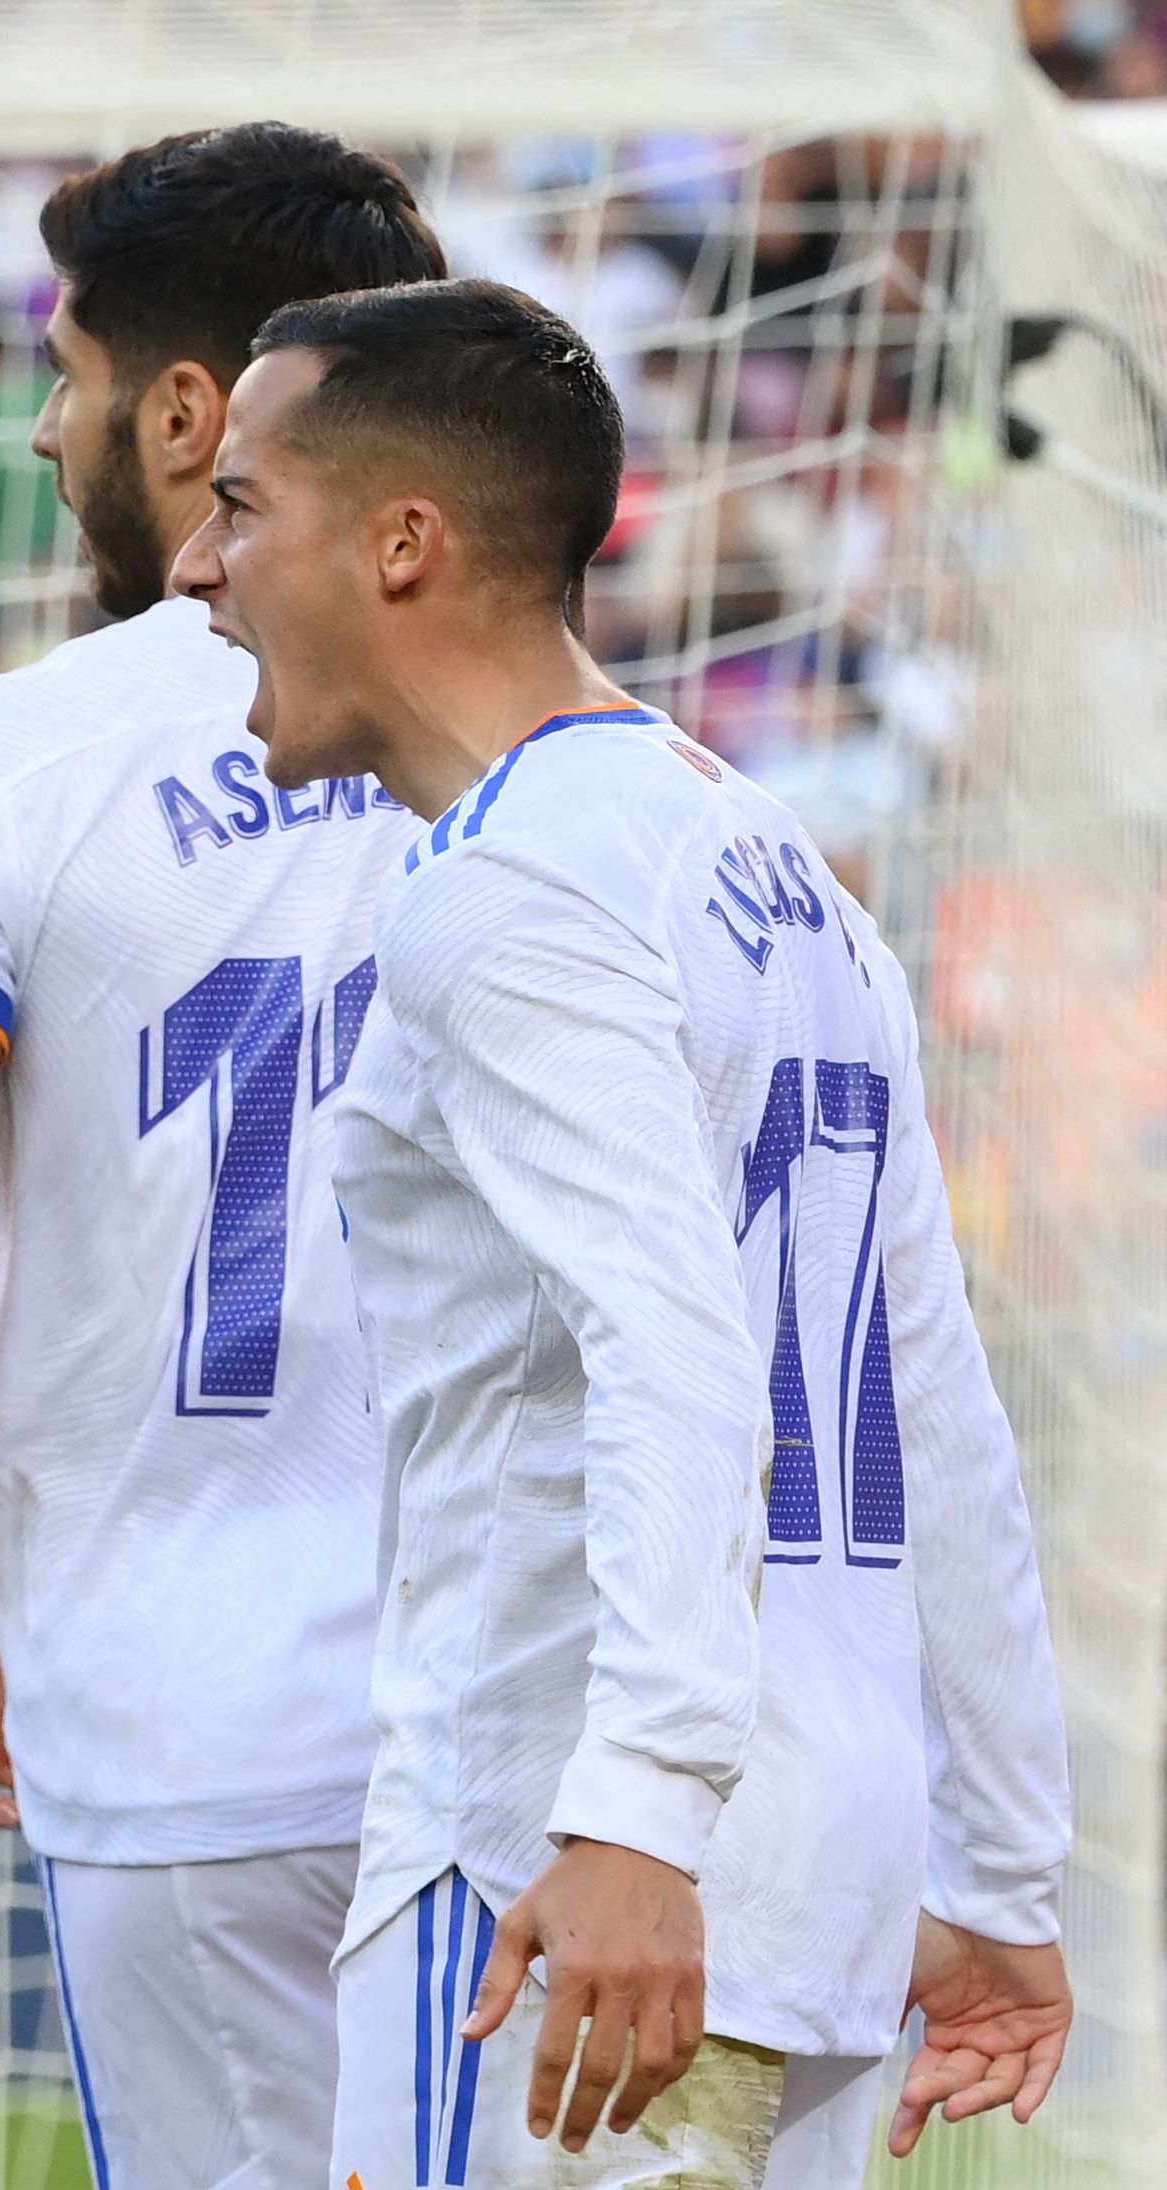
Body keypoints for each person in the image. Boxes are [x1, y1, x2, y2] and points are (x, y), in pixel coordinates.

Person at [168, 279, 1073, 2185]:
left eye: (242, 505)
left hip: (564, 1875)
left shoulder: (498, 888)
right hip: (815, 1894)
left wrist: (639, 1813)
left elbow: (676, 1351)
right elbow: (934, 1406)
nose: (194, 562)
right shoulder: (776, 872)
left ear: (401, 541)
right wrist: (995, 1856)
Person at [0, 125, 443, 2190]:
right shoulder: (555, 747)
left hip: (190, 1730)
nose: (51, 428)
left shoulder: (14, 753)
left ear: (183, 413)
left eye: (68, 381)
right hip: (519, 1708)